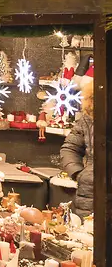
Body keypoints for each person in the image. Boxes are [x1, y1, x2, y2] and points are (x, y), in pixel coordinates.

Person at [60, 78, 94, 214]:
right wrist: (79, 174)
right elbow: (70, 148)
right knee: (87, 225)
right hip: (89, 191)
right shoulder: (88, 119)